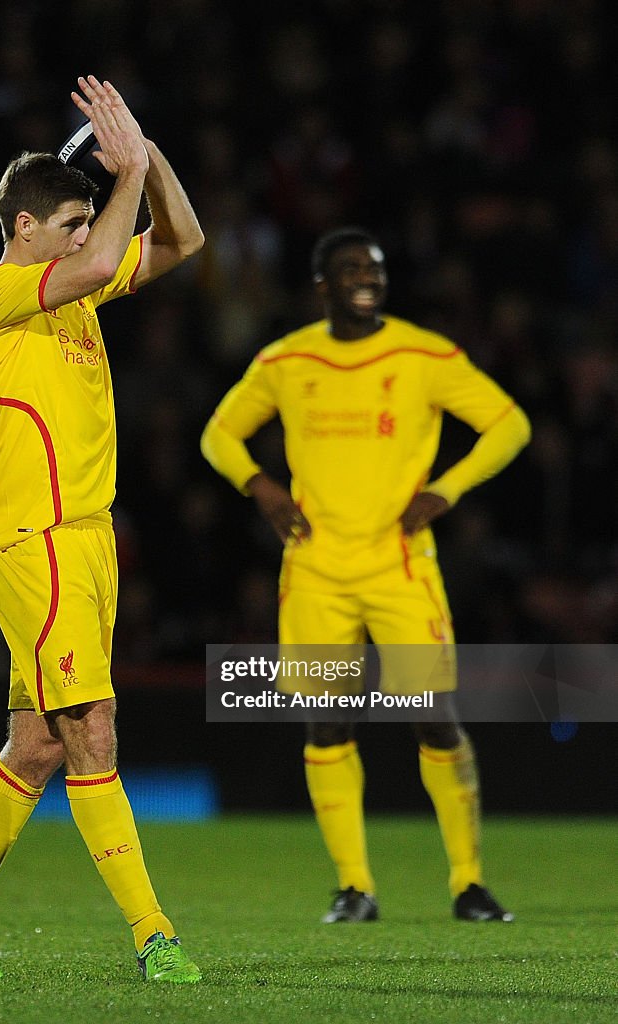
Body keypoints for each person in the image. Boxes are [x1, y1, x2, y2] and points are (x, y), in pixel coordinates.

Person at [0, 76, 204, 982]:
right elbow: (104, 255)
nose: (87, 238)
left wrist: (148, 159)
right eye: (71, 224)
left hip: (83, 538)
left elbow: (183, 241)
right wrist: (125, 176)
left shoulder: (70, 300)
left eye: (87, 222)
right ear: (24, 227)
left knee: (34, 744)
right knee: (92, 730)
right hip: (36, 538)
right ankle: (155, 935)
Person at [201, 227, 530, 924]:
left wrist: (449, 489)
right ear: (321, 284)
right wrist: (259, 487)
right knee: (327, 727)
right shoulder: (287, 359)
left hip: (399, 564)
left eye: (374, 268)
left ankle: (467, 882)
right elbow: (217, 434)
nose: (366, 278)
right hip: (316, 567)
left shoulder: (422, 354)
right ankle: (354, 886)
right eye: (351, 268)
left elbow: (508, 424)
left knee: (433, 721)